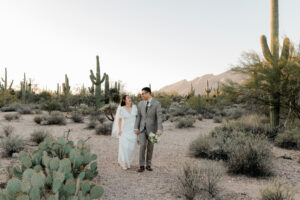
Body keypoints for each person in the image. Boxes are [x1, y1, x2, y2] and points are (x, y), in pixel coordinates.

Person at [134, 87, 163, 172]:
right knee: (142, 145)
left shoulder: (157, 104)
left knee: (151, 147)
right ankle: (141, 165)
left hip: (153, 129)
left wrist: (160, 129)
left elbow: (159, 117)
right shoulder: (140, 103)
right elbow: (138, 116)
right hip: (142, 128)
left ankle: (148, 165)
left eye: (143, 93)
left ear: (148, 93)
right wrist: (136, 127)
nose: (141, 95)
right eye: (141, 94)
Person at [112, 95, 138, 170]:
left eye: (130, 97)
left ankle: (128, 161)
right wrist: (119, 130)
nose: (130, 99)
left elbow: (138, 118)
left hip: (133, 130)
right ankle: (123, 163)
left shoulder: (135, 107)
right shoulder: (122, 109)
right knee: (124, 147)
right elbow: (119, 120)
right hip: (125, 130)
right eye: (128, 98)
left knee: (132, 147)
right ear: (124, 100)